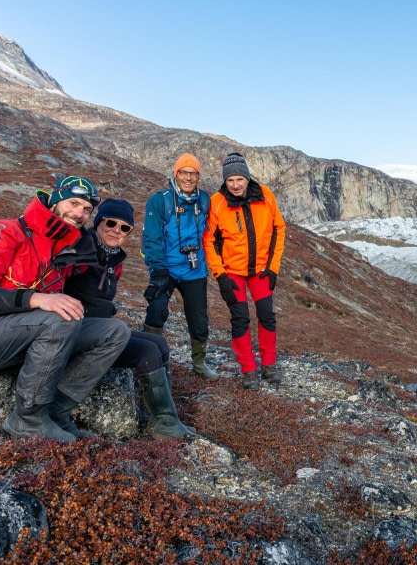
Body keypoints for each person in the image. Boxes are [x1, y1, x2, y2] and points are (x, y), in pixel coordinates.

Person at [0, 176, 130, 442]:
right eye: (73, 203)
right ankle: (27, 418)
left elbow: (92, 275)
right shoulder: (3, 231)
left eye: (87, 210)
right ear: (53, 201)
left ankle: (54, 413)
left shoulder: (62, 249)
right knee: (58, 316)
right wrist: (35, 299)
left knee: (115, 331)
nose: (79, 213)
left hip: (23, 337)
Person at [64, 198, 194, 439]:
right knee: (147, 352)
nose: (117, 230)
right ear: (99, 221)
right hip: (74, 332)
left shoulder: (114, 260)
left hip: (98, 330)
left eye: (125, 228)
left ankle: (162, 417)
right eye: (111, 223)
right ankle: (164, 425)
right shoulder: (81, 246)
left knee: (159, 344)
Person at [203, 153, 286, 390]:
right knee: (240, 319)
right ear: (225, 181)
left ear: (247, 178)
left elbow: (279, 228)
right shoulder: (217, 201)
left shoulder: (265, 195)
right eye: (231, 180)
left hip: (261, 270)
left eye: (240, 179)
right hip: (233, 272)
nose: (236, 185)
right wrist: (220, 275)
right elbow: (209, 241)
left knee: (267, 315)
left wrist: (273, 267)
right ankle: (249, 369)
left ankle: (269, 364)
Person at [141, 153, 218, 380]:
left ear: (198, 176)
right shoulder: (160, 201)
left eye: (193, 173)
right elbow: (151, 239)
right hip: (166, 268)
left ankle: (199, 363)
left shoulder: (205, 200)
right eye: (184, 172)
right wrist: (157, 270)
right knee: (157, 309)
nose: (188, 177)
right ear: (176, 174)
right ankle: (148, 359)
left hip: (195, 270)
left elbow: (212, 234)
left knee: (199, 319)